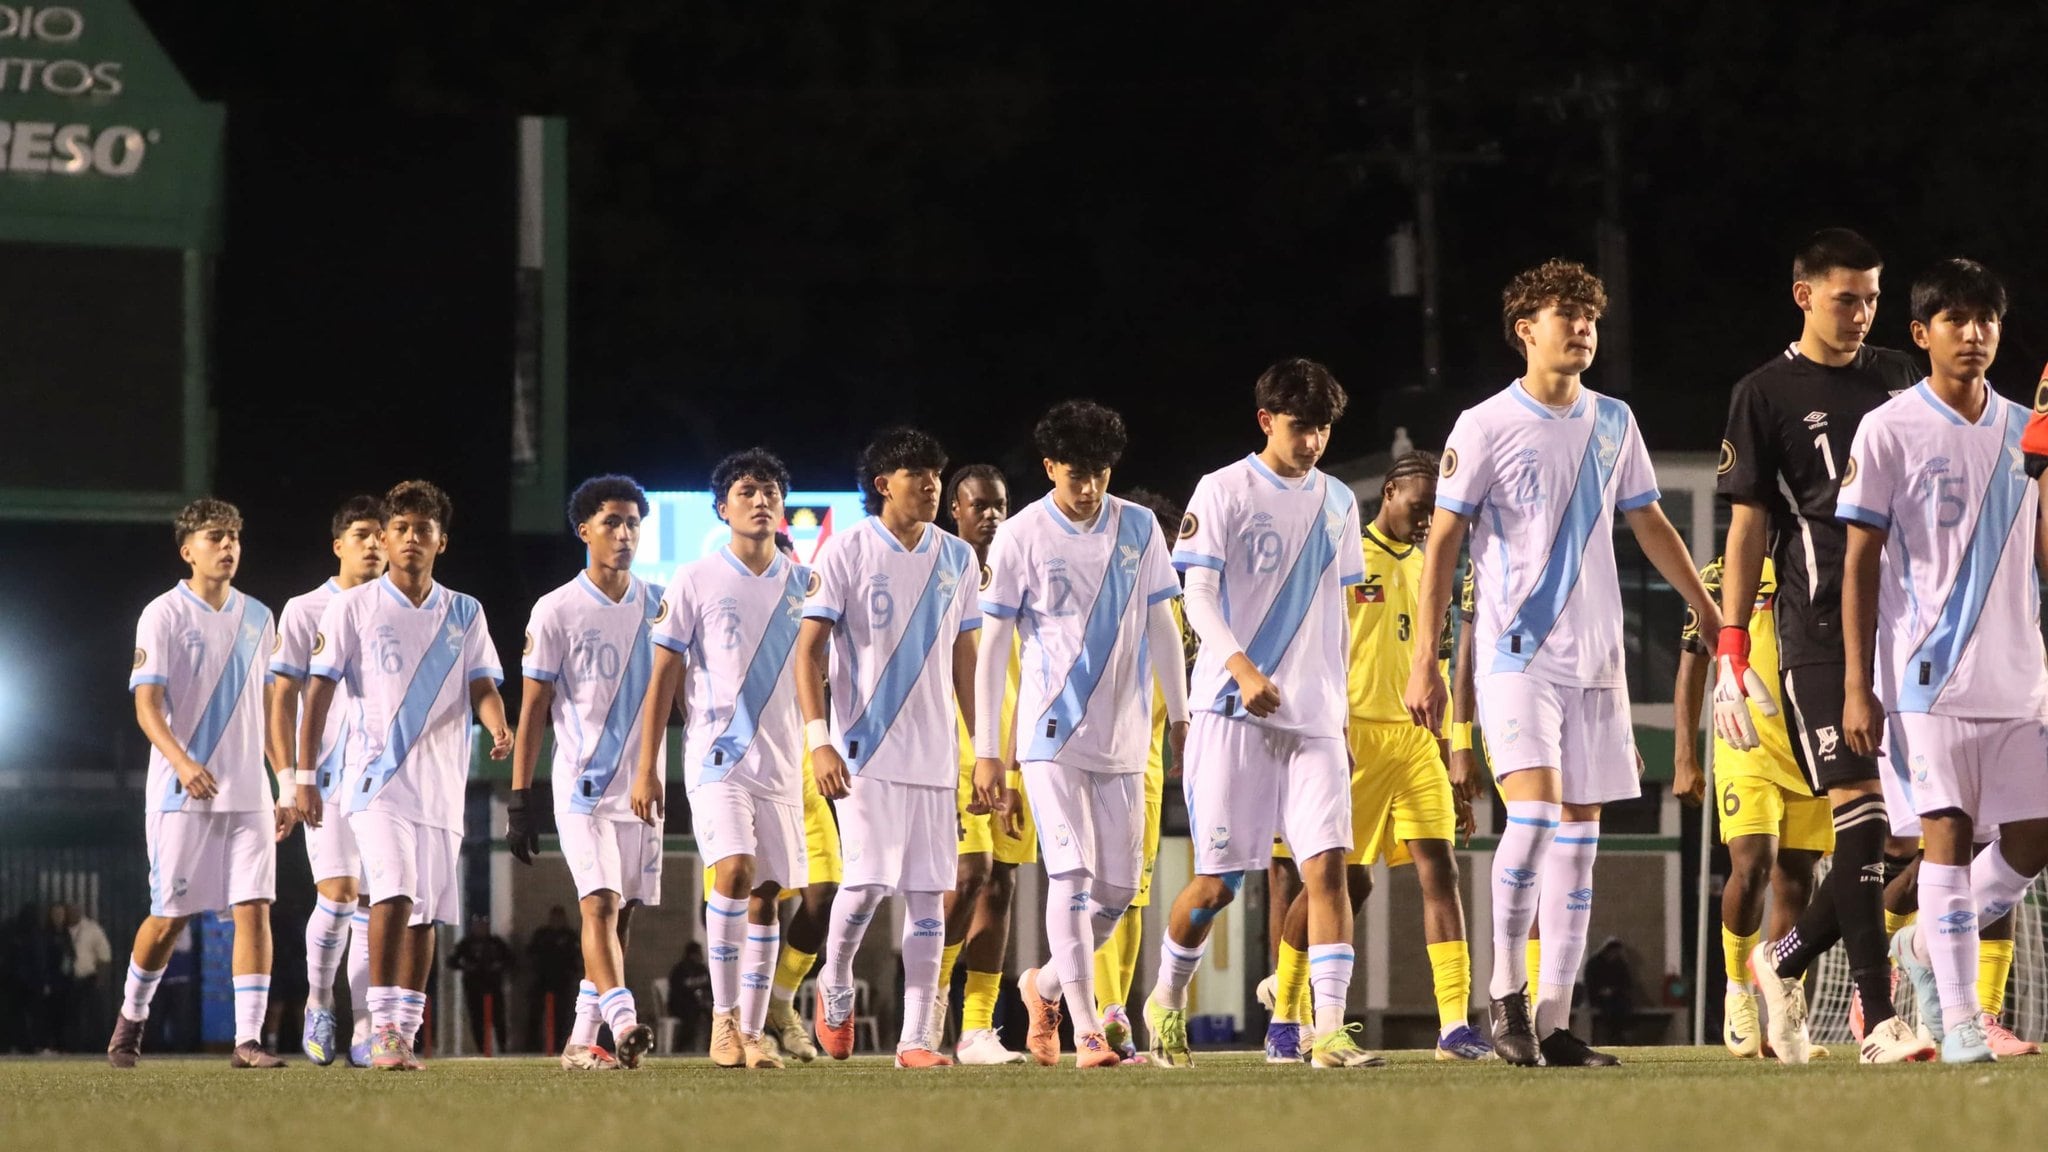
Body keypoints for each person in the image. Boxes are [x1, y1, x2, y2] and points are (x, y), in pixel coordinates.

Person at [1404, 260, 1721, 1067]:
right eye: (1563, 316)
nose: (1581, 329)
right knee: (1538, 819)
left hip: (1598, 663)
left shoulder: (1615, 420)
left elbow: (1649, 521)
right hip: (1517, 658)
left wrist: (1706, 605)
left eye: (1589, 317)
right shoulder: (1482, 425)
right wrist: (1427, 661)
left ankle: (1551, 1021)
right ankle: (1503, 998)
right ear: (1525, 331)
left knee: (1582, 840)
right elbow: (1442, 546)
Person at [1710, 229, 1930, 1065]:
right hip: (1818, 635)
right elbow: (1746, 529)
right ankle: (1879, 1022)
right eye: (1847, 298)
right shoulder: (1763, 393)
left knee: (1897, 838)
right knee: (1861, 818)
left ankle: (1786, 959)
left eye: (1873, 297)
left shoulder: (1900, 379)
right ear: (1803, 295)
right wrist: (1733, 646)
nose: (1862, 313)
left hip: (1908, 628)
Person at [1840, 258, 2048, 1064]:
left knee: (2034, 839)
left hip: (2017, 676)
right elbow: (1860, 561)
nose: (1974, 334)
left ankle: (1922, 947)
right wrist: (1859, 683)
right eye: (1955, 320)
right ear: (1921, 334)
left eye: (1986, 319)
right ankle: (1960, 1020)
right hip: (1923, 680)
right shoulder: (1889, 428)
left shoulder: (2021, 428)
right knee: (1946, 839)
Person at [1145, 358, 1379, 1070]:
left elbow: (1337, 614)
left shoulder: (1340, 501)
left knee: (1329, 871)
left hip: (1312, 718)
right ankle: (1164, 999)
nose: (1312, 441)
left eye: (1324, 428)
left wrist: (1340, 711)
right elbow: (1197, 596)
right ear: (1266, 420)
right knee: (1219, 884)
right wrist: (1243, 669)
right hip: (1230, 709)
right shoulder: (1223, 490)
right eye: (1301, 426)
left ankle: (1330, 1029)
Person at [976, 401, 1188, 1069]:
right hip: (1049, 737)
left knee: (1119, 892)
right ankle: (1087, 1030)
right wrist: (989, 749)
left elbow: (1163, 626)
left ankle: (1040, 987)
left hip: (1124, 740)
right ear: (1049, 469)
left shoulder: (1139, 529)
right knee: (1070, 874)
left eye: (1099, 473)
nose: (1089, 488)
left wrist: (1179, 718)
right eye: (1075, 475)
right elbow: (993, 647)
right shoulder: (1020, 535)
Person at [1265, 450, 1491, 1064]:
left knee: (1440, 870)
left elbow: (1438, 665)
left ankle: (1453, 1028)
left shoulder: (1430, 565)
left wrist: (1451, 755)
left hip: (1418, 737)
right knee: (1340, 881)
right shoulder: (1345, 558)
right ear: (1389, 492)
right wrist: (1324, 729)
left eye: (1434, 512)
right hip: (1355, 735)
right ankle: (1286, 1014)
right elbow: (1318, 648)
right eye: (1419, 507)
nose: (1426, 520)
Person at [300, 479, 511, 1072]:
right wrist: (303, 774)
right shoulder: (352, 607)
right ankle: (380, 1025)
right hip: (374, 782)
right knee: (390, 889)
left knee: (427, 911)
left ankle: (404, 1033)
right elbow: (318, 691)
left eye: (424, 529)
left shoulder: (464, 611)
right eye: (401, 529)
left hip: (442, 785)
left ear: (441, 541)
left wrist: (497, 724)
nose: (411, 538)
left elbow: (481, 683)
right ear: (387, 539)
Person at [798, 426, 980, 1068]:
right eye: (917, 475)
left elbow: (965, 654)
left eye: (937, 473)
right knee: (870, 879)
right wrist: (818, 743)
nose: (933, 484)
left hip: (934, 755)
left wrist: (981, 747)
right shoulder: (845, 552)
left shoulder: (958, 557)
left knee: (933, 893)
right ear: (883, 485)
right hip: (861, 750)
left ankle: (915, 1041)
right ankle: (837, 979)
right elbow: (809, 651)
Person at [635, 450, 810, 1071]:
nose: (761, 501)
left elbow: (824, 672)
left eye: (770, 492)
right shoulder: (695, 578)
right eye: (747, 491)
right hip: (717, 756)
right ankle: (724, 1020)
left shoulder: (804, 583)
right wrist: (646, 765)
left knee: (767, 895)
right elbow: (663, 676)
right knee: (732, 871)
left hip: (784, 762)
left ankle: (755, 1032)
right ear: (722, 508)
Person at [110, 498, 292, 1069]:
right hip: (178, 794)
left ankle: (248, 1040)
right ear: (187, 549)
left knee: (254, 908)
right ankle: (130, 1020)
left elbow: (269, 710)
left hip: (248, 795)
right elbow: (146, 707)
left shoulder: (261, 618)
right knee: (168, 917)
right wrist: (183, 763)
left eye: (235, 536)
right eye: (216, 536)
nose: (229, 546)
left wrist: (284, 781)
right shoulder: (162, 614)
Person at [513, 474, 665, 1070]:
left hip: (642, 789)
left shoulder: (661, 604)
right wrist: (519, 799)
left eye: (632, 523)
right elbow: (533, 710)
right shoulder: (556, 609)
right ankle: (625, 1021)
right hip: (581, 788)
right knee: (597, 904)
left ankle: (582, 1042)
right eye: (612, 522)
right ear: (585, 531)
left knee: (621, 913)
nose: (624, 533)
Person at [1672, 556, 1832, 1058]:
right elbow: (1693, 662)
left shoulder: (1818, 557)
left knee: (1798, 879)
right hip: (1745, 746)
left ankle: (1784, 1008)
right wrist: (1684, 755)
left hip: (1809, 749)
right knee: (1752, 864)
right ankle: (1737, 992)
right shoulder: (1723, 572)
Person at [270, 494, 387, 1066]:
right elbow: (280, 700)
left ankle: (365, 1024)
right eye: (362, 533)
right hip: (324, 778)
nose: (374, 544)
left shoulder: (403, 607)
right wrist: (290, 781)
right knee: (338, 897)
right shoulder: (304, 608)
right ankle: (321, 1001)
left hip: (385, 780)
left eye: (380, 534)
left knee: (372, 902)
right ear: (338, 545)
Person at [938, 462, 1033, 1065]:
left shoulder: (1021, 565)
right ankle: (923, 1014)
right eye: (980, 505)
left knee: (1002, 880)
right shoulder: (943, 569)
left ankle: (977, 1030)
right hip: (958, 747)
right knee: (968, 875)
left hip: (1016, 748)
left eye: (999, 504)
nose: (992, 515)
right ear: (956, 510)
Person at [1093, 487, 1190, 1060]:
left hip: (1148, 760)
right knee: (1091, 886)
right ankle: (1088, 1006)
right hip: (1091, 752)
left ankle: (1111, 1012)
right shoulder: (1112, 591)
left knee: (1131, 893)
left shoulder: (1185, 603)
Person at [763, 530, 843, 1065]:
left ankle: (780, 1001)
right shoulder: (722, 604)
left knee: (825, 890)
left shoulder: (812, 610)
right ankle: (741, 1022)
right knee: (758, 900)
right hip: (747, 772)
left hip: (803, 767)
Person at [449, 915, 514, 1054]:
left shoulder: (496, 943)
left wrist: (498, 966)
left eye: (484, 925)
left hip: (493, 985)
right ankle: (482, 1049)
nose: (481, 928)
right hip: (474, 986)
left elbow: (510, 960)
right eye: (478, 925)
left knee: (498, 1018)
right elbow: (452, 961)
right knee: (477, 1020)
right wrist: (467, 967)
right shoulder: (466, 943)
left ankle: (502, 1047)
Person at [524, 906, 582, 1053]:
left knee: (562, 1016)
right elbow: (531, 952)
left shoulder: (569, 936)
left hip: (562, 981)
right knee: (535, 1014)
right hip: (542, 980)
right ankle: (533, 1046)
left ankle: (558, 1045)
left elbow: (576, 957)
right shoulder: (542, 934)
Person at [65, 903, 111, 1052]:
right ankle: (74, 1045)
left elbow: (104, 955)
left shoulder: (92, 929)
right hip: (68, 980)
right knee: (72, 1016)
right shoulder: (62, 930)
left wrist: (100, 979)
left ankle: (96, 1046)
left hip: (88, 978)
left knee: (92, 1014)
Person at [668, 942, 713, 1053]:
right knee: (691, 1019)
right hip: (681, 1006)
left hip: (699, 1005)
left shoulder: (701, 968)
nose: (701, 956)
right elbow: (677, 991)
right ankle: (680, 1048)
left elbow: (710, 986)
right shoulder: (680, 969)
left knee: (712, 1015)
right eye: (698, 953)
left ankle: (710, 1046)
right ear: (692, 954)